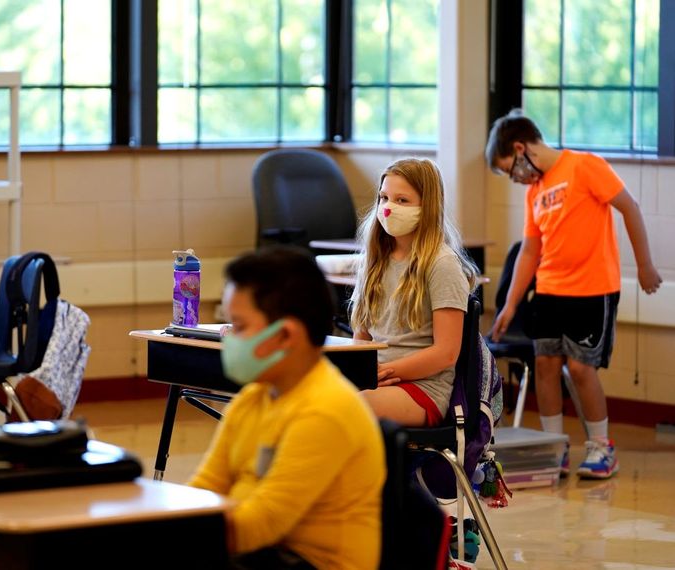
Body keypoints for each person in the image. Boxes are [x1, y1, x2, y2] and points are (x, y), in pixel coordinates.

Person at [486, 108, 662, 479]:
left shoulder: (584, 166)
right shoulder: (536, 191)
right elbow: (531, 251)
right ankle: (554, 449)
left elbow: (629, 207)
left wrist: (645, 265)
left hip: (592, 290)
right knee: (546, 366)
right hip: (550, 291)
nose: (514, 179)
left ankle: (601, 447)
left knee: (581, 369)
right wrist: (511, 305)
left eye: (510, 169)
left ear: (521, 148)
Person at [188, 246, 385, 570]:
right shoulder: (253, 399)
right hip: (260, 554)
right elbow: (205, 489)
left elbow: (261, 523)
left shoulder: (326, 410)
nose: (228, 338)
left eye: (237, 326)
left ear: (286, 335)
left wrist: (169, 538)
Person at [350, 158, 477, 427]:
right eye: (383, 198)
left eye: (402, 200)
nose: (387, 208)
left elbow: (446, 352)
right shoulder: (375, 259)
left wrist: (384, 372)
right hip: (379, 381)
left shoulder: (441, 263)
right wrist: (358, 371)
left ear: (427, 206)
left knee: (345, 409)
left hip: (423, 389)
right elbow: (362, 337)